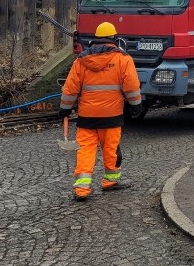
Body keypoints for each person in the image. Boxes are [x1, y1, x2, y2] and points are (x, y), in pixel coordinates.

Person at [58, 21, 142, 201]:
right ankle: (110, 181)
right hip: (111, 116)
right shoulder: (123, 59)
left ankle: (82, 188)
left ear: (95, 40)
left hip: (87, 117)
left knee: (85, 151)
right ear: (114, 39)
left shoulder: (81, 60)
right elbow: (132, 86)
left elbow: (70, 88)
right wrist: (136, 106)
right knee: (111, 150)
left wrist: (65, 109)